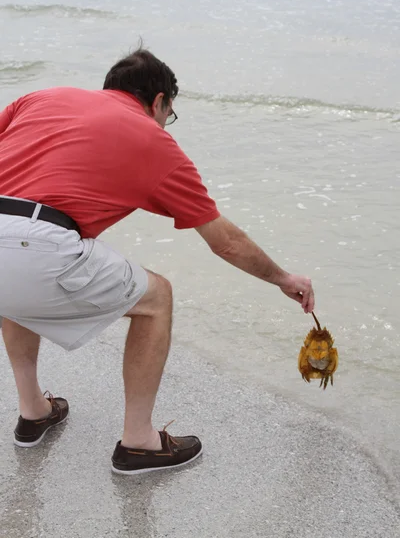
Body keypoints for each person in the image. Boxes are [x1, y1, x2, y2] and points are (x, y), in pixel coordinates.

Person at [0, 48, 314, 475]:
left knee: (15, 277)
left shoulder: (41, 99)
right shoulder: (154, 141)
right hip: (38, 243)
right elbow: (225, 242)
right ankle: (140, 442)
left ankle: (34, 411)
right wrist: (281, 278)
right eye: (170, 113)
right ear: (159, 101)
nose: (167, 123)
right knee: (156, 298)